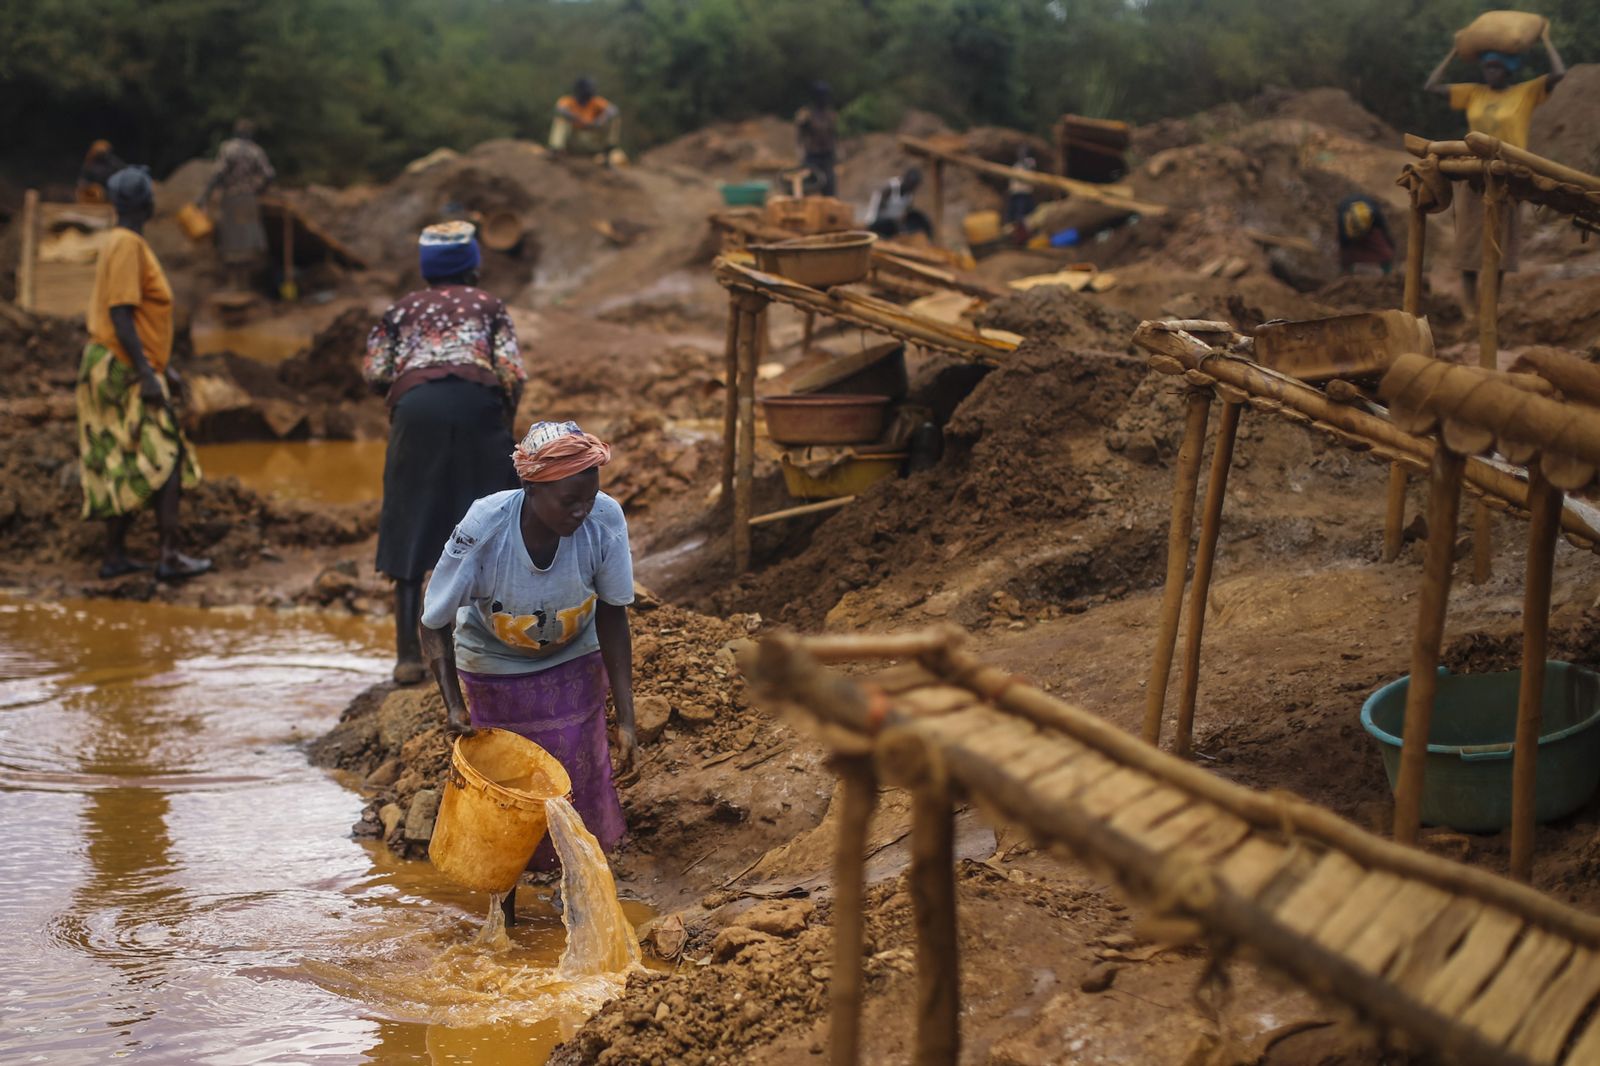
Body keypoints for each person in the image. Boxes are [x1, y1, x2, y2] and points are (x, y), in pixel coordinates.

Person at [420, 420, 637, 924]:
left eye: (589, 497)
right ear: (531, 488)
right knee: (508, 798)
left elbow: (613, 612)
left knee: (579, 787)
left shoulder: (604, 521)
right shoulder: (483, 527)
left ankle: (580, 903)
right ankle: (505, 916)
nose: (581, 512)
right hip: (493, 664)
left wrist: (625, 717)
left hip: (572, 659)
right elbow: (433, 623)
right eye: (568, 502)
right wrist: (454, 705)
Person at [364, 221, 527, 685]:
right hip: (478, 406)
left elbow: (376, 371)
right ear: (473, 263)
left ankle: (408, 658)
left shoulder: (400, 310)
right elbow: (512, 372)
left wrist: (405, 404)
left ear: (426, 266)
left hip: (416, 410)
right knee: (494, 518)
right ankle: (498, 643)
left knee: (409, 520)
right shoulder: (489, 306)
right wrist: (502, 422)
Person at [77, 167, 211, 582]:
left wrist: (163, 366)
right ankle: (168, 555)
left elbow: (135, 315)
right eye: (151, 193)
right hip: (119, 367)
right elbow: (120, 314)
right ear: (142, 203)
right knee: (166, 452)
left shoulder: (126, 243)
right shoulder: (127, 244)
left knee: (129, 457)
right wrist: (147, 374)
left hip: (125, 362)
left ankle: (115, 556)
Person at [1424, 29, 1566, 309]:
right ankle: (1469, 310)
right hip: (1475, 174)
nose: (1491, 73)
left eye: (1497, 67)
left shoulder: (1524, 92)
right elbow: (1431, 86)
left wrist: (1547, 40)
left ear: (1508, 70)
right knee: (1468, 245)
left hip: (1509, 176)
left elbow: (1560, 75)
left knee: (1500, 247)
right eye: (1487, 66)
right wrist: (1455, 51)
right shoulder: (1473, 93)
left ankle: (1491, 306)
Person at [194, 119, 276, 290]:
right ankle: (245, 284)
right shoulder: (256, 151)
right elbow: (269, 174)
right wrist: (259, 189)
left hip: (231, 197)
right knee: (247, 239)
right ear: (251, 134)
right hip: (248, 198)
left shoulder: (228, 149)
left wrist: (204, 196)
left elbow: (218, 174)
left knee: (231, 240)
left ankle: (233, 284)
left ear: (236, 132)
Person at [549, 77, 621, 161]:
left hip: (591, 138)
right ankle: (556, 151)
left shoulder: (595, 102)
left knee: (614, 120)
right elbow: (560, 109)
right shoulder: (568, 101)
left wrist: (600, 120)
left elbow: (614, 110)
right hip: (574, 138)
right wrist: (577, 119)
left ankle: (607, 154)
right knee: (560, 120)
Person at [795, 81, 839, 197]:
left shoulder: (831, 115)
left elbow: (833, 136)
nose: (823, 99)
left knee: (829, 188)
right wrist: (800, 152)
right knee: (808, 187)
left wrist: (836, 154)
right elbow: (800, 136)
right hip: (812, 156)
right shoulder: (806, 115)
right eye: (821, 96)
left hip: (827, 156)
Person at [1335, 195, 1396, 275]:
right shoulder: (1343, 219)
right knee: (1347, 253)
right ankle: (1346, 273)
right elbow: (1343, 241)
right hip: (1350, 231)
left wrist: (1390, 244)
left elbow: (1383, 231)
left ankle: (1387, 273)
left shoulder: (1375, 215)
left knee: (1385, 253)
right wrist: (1344, 258)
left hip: (1369, 227)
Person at [866, 167, 931, 239]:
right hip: (877, 223)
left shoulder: (909, 195)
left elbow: (906, 213)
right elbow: (878, 210)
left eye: (914, 186)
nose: (912, 188)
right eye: (911, 184)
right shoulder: (890, 188)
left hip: (892, 225)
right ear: (906, 179)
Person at [1005, 146, 1038, 237]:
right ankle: (1016, 235)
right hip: (1015, 194)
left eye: (1023, 152)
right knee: (1014, 216)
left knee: (1024, 216)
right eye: (1020, 152)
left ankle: (1025, 235)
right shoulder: (1016, 165)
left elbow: (1030, 166)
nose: (1020, 154)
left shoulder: (1029, 162)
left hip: (1025, 194)